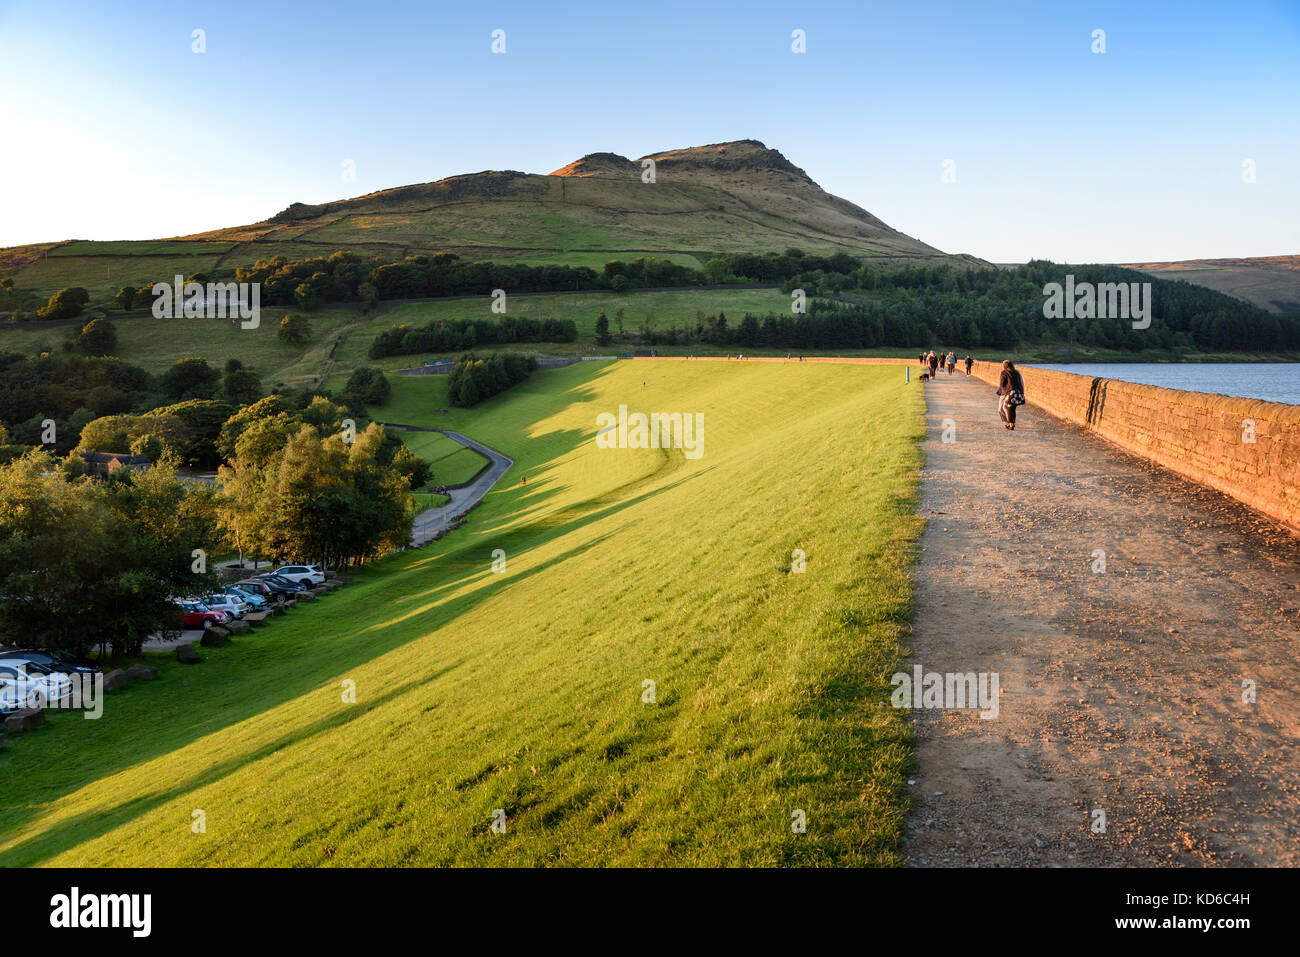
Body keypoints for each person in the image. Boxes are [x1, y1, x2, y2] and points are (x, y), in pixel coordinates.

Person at [998, 359, 1026, 430]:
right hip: (1018, 392)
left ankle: (1010, 424)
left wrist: (1000, 391)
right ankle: (1012, 423)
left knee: (1009, 408)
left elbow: (1002, 384)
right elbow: (1021, 383)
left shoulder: (1004, 372)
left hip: (1010, 393)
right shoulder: (1017, 372)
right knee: (1013, 409)